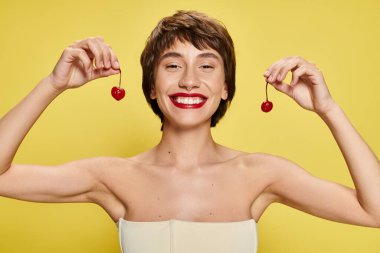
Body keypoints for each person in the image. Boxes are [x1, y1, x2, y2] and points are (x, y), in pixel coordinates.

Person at [0, 10, 379, 253]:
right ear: (151, 86)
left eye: (207, 67)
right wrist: (53, 84)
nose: (190, 81)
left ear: (226, 87)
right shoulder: (113, 177)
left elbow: (374, 211)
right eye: (172, 66)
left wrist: (328, 109)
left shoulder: (262, 174)